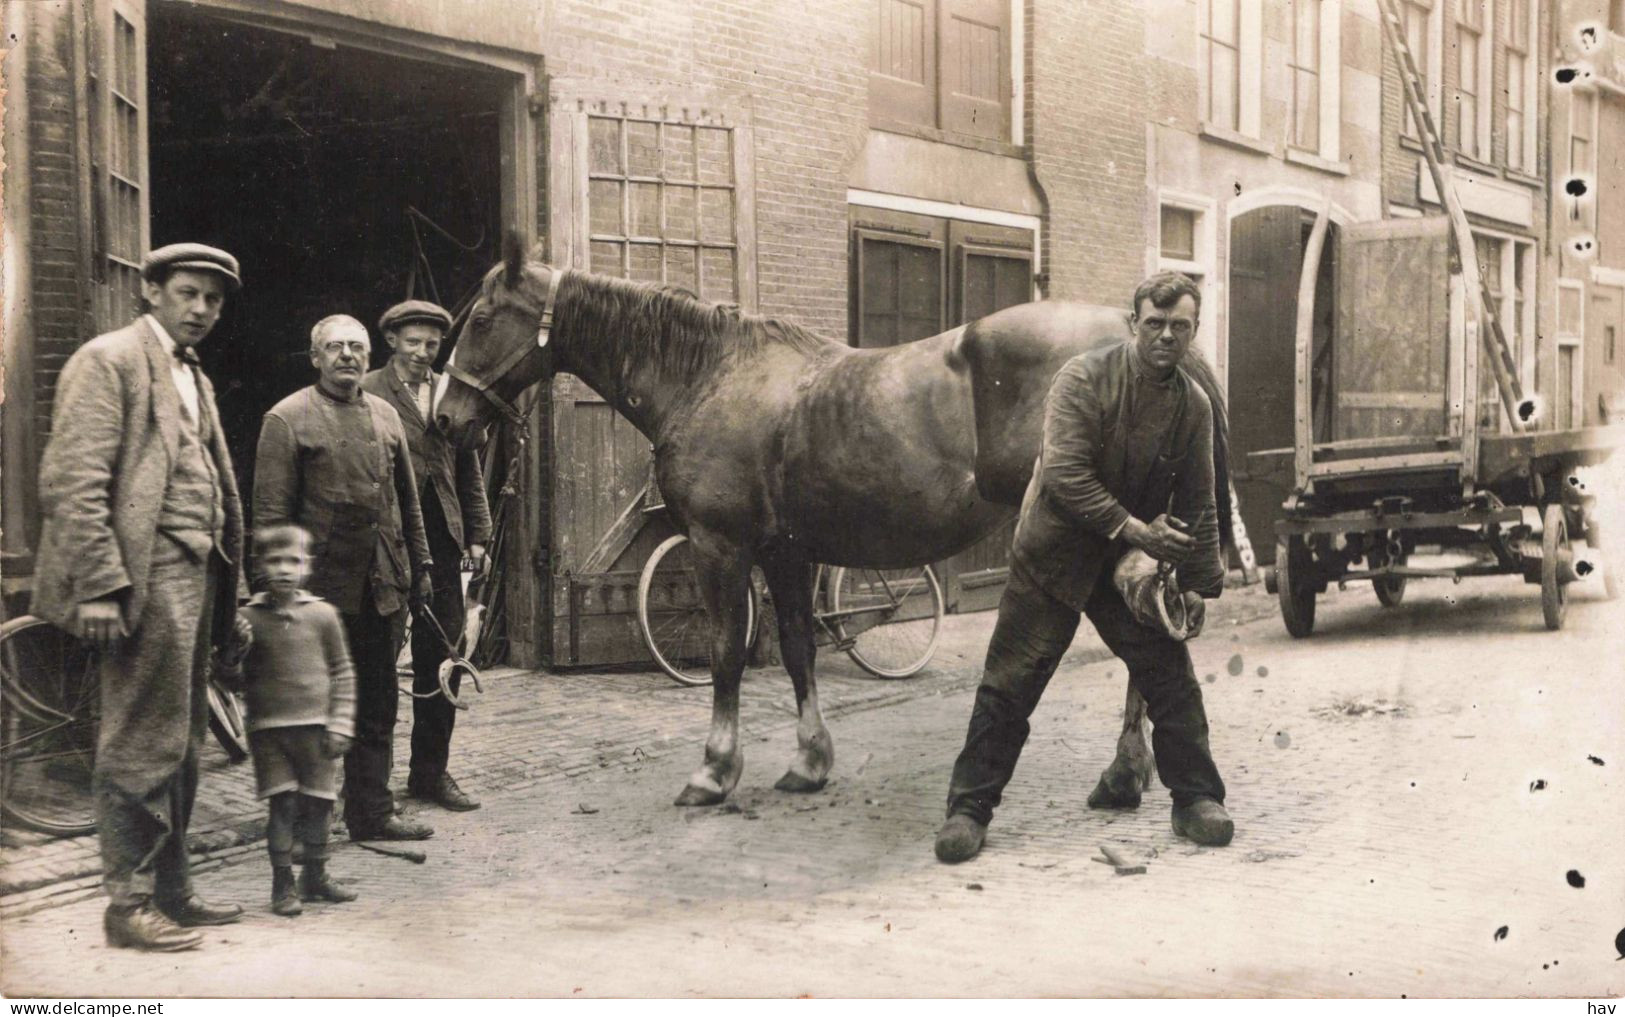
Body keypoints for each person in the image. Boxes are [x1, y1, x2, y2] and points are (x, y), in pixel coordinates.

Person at [933, 271, 1233, 864]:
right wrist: (1136, 528)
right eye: (1155, 324)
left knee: (1172, 683)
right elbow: (1067, 477)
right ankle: (968, 811)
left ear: (1193, 332)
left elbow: (1200, 498)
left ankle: (1195, 801)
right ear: (1132, 324)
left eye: (1180, 327)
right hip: (1054, 554)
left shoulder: (1192, 406)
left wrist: (1199, 586)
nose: (1166, 337)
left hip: (1124, 568)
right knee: (1010, 685)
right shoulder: (1082, 379)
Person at [33, 244, 247, 950]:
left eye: (213, 300)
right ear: (149, 291)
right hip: (141, 580)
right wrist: (99, 586)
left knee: (181, 741)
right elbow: (73, 481)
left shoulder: (195, 376)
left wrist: (233, 584)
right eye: (187, 293)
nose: (201, 310)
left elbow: (212, 483)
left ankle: (172, 891)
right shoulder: (109, 359)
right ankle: (127, 904)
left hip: (197, 576)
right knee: (138, 741)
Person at [252, 314, 434, 842]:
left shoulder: (385, 417)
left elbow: (408, 503)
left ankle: (372, 814)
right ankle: (312, 825)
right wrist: (273, 598)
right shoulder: (287, 419)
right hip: (317, 597)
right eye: (335, 348)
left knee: (378, 704)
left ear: (369, 355)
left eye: (357, 347)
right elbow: (270, 519)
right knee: (312, 712)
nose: (348, 356)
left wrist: (419, 567)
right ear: (315, 358)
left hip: (382, 586)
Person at [361, 300, 492, 812]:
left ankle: (430, 774)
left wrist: (476, 535)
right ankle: (370, 786)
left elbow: (469, 470)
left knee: (444, 660)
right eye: (412, 342)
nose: (421, 352)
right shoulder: (367, 390)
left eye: (432, 344)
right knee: (378, 663)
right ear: (391, 340)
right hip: (388, 542)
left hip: (443, 539)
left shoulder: (449, 393)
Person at [219, 524, 359, 915]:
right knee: (281, 807)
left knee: (320, 806)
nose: (283, 569)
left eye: (293, 561)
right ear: (259, 566)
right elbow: (231, 681)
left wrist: (341, 722)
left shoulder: (323, 615)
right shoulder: (247, 618)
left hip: (317, 731)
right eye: (274, 560)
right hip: (270, 733)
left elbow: (343, 671)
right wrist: (232, 652)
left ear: (307, 566)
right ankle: (282, 884)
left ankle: (316, 875)